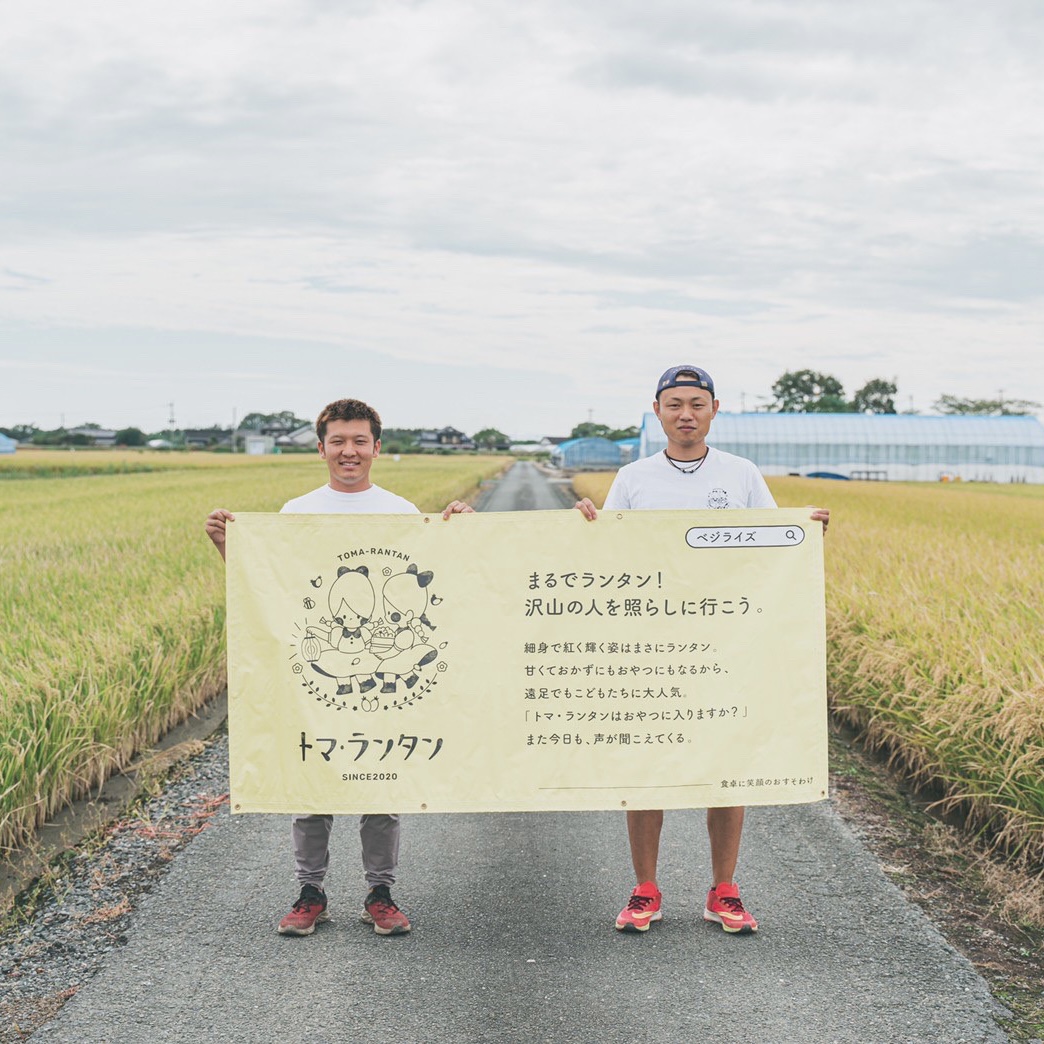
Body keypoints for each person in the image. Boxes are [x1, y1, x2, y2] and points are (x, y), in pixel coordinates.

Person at [575, 365, 829, 935]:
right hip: (650, 645)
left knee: (726, 764)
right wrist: (584, 527)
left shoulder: (741, 475)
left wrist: (805, 530)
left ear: (714, 409)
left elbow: (772, 542)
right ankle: (645, 889)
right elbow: (604, 554)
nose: (685, 414)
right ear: (658, 411)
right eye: (673, 404)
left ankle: (724, 890)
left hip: (724, 642)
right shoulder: (634, 478)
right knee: (647, 765)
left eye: (696, 403)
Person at [205, 398, 472, 937]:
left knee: (382, 783)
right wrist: (227, 548)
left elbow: (437, 583)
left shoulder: (400, 512)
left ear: (377, 446)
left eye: (359, 441)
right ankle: (310, 893)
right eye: (337, 441)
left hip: (387, 676)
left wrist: (461, 533)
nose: (348, 452)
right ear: (321, 446)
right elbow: (272, 589)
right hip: (315, 672)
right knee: (311, 785)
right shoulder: (296, 512)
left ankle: (381, 893)